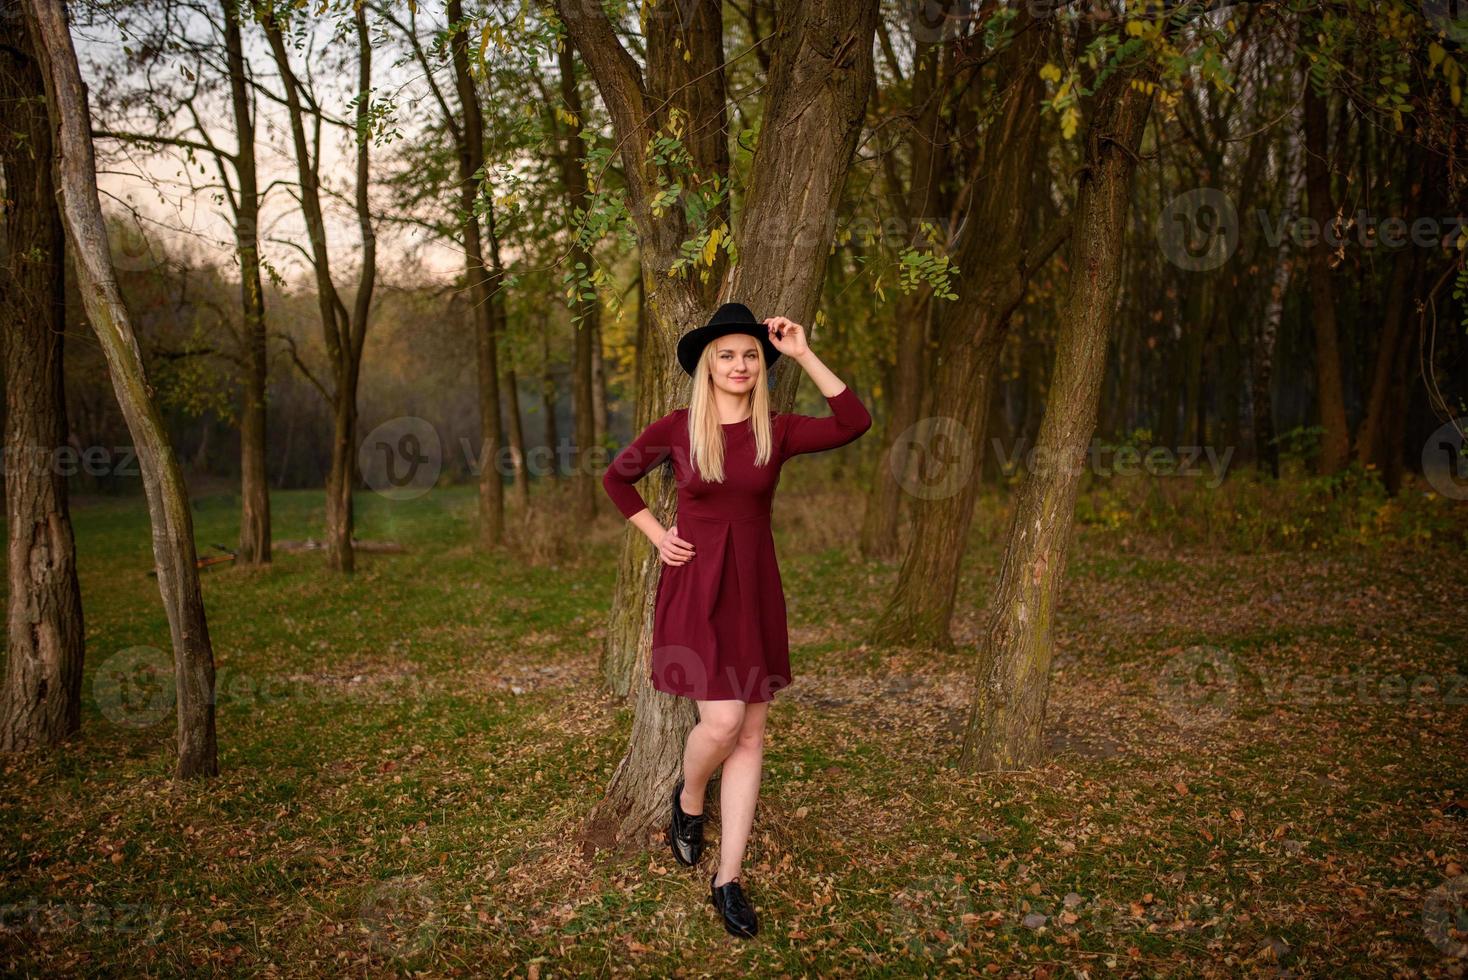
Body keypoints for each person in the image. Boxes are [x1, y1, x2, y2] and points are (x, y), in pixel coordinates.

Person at [601, 301, 872, 938]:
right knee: (721, 722)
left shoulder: (776, 430)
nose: (740, 364)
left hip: (754, 590)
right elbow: (617, 480)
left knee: (751, 736)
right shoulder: (676, 428)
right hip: (696, 586)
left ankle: (728, 877)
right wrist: (656, 536)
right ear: (707, 365)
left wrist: (802, 350)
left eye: (751, 354)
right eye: (727, 354)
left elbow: (854, 421)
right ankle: (688, 798)